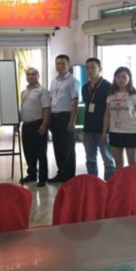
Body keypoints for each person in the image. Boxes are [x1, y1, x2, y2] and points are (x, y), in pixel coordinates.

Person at [101, 67, 136, 170]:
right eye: (118, 77)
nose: (121, 79)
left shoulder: (134, 95)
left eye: (124, 77)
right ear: (115, 78)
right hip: (114, 131)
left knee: (132, 163)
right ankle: (120, 181)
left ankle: (133, 181)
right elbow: (107, 114)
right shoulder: (111, 94)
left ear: (129, 78)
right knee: (118, 163)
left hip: (131, 132)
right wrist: (104, 132)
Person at [81, 58, 115, 180]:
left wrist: (106, 130)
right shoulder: (85, 87)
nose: (90, 70)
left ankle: (109, 183)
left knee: (108, 158)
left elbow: (110, 110)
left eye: (93, 67)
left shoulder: (108, 86)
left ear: (100, 69)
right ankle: (93, 182)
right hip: (88, 128)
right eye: (87, 68)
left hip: (103, 129)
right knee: (90, 158)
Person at [48, 55, 80, 183]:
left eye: (63, 63)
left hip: (66, 116)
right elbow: (51, 99)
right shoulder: (54, 81)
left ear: (68, 65)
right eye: (58, 63)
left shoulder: (72, 81)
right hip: (54, 116)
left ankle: (69, 176)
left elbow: (75, 102)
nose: (60, 66)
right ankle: (61, 172)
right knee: (58, 147)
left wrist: (72, 121)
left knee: (68, 148)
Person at [19, 68, 51, 187]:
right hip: (26, 125)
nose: (30, 76)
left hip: (38, 124)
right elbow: (22, 109)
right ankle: (32, 175)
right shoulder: (24, 92)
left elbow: (46, 108)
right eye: (28, 75)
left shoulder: (42, 91)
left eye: (33, 74)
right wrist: (18, 123)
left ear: (38, 76)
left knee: (40, 153)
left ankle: (43, 178)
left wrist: (44, 124)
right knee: (28, 152)